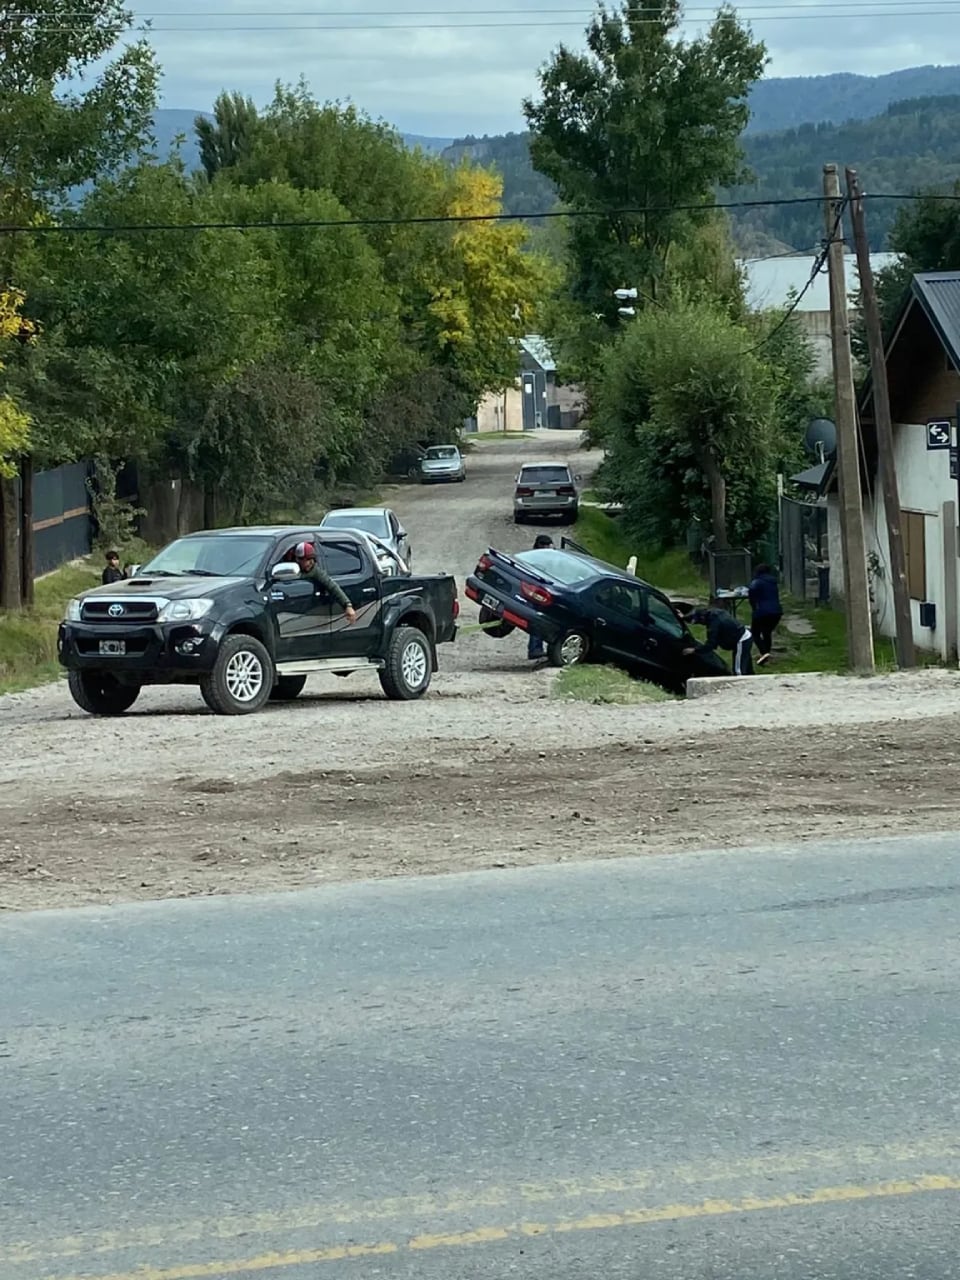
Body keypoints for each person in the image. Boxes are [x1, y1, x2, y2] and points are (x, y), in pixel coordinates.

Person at [292, 541, 357, 624]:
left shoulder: (315, 571)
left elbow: (332, 586)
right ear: (298, 559)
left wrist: (347, 605)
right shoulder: (292, 569)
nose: (311, 562)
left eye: (312, 559)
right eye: (307, 559)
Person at [685, 605, 754, 676]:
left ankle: (740, 685)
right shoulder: (713, 612)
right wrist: (684, 617)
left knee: (738, 670)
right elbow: (694, 617)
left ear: (702, 618)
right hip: (742, 637)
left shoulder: (714, 625)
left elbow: (710, 644)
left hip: (742, 640)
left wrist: (694, 650)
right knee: (747, 668)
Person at [748, 563, 782, 666]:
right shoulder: (773, 582)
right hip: (776, 612)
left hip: (762, 611)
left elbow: (751, 596)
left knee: (755, 633)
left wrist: (754, 608)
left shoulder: (757, 582)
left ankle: (764, 653)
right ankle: (767, 654)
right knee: (767, 632)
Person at [527, 534, 554, 660]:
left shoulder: (532, 557)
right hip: (537, 594)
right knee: (538, 621)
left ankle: (536, 648)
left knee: (538, 622)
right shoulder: (542, 559)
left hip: (536, 593)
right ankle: (535, 649)